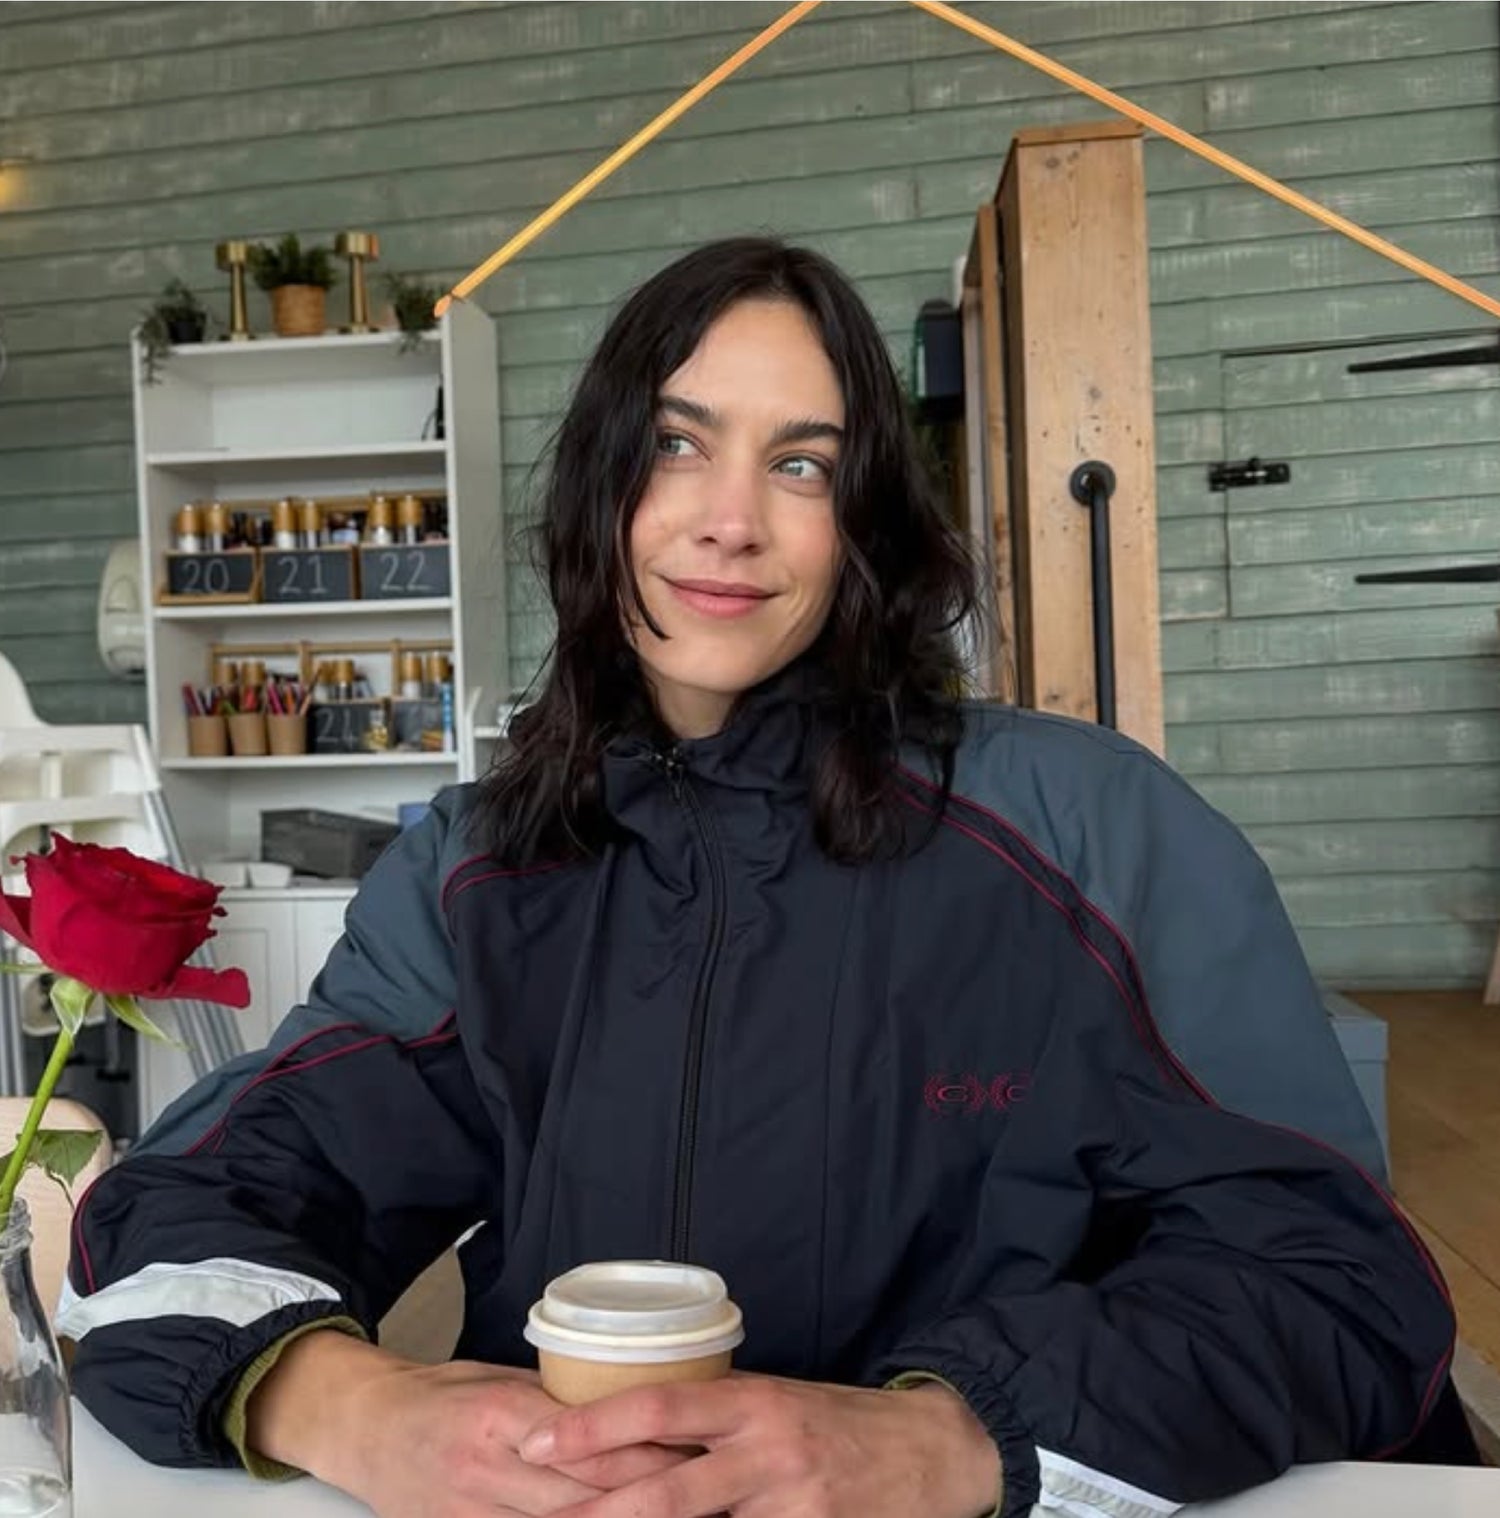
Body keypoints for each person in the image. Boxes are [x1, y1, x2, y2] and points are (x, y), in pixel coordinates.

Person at [63, 238, 1455, 1518]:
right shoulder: (481, 873)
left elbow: (1332, 1283)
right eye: (677, 444)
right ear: (600, 486)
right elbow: (180, 1217)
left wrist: (944, 1437)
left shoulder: (1085, 831)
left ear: (867, 525)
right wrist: (353, 1406)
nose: (729, 521)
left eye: (801, 465)